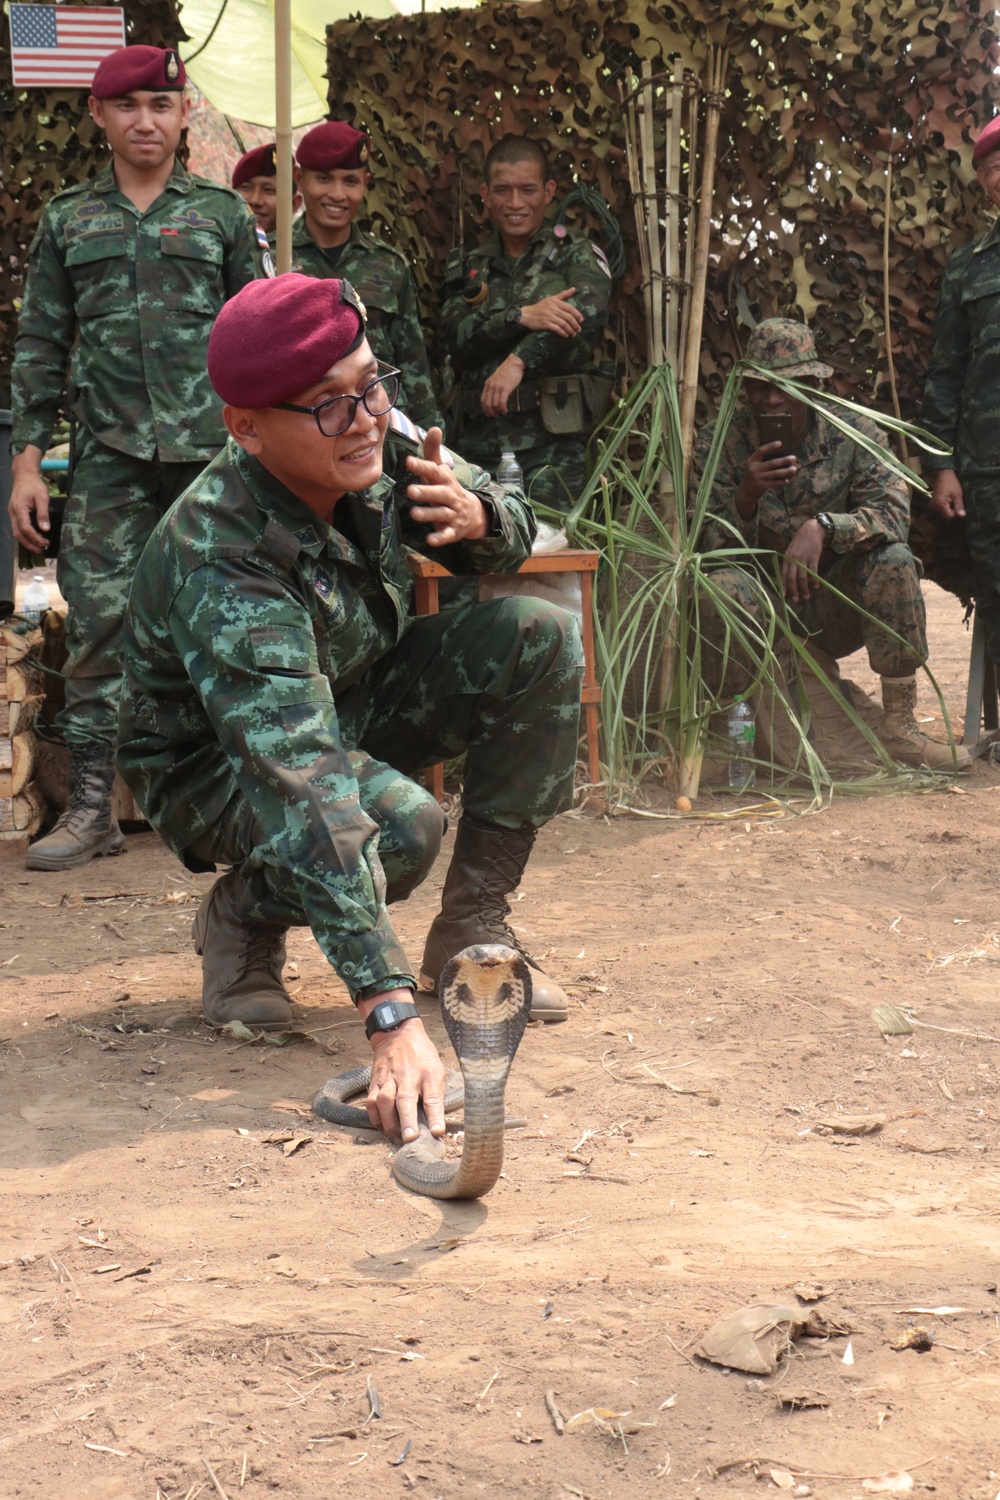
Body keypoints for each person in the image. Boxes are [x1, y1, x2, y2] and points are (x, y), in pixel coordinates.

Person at [116, 275, 583, 1141]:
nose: (365, 416)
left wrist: (481, 517)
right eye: (332, 405)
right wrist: (389, 1014)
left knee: (539, 635)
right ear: (247, 427)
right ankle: (244, 913)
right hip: (216, 766)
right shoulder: (225, 558)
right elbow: (300, 778)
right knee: (399, 827)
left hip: (351, 693)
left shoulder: (367, 426)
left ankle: (472, 928)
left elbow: (514, 518)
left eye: (372, 384)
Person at [9, 43, 267, 872]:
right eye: (128, 107)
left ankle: (238, 799)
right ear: (99, 115)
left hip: (212, 458)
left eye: (161, 104)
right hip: (110, 460)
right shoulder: (68, 220)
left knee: (226, 620)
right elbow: (40, 344)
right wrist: (24, 465)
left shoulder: (223, 219)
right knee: (97, 629)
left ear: (183, 111)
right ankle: (92, 809)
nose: (145, 121)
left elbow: (258, 336)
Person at [693, 318, 969, 772]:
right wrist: (744, 496)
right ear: (747, 389)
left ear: (812, 385)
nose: (773, 399)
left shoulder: (855, 433)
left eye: (788, 385)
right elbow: (700, 545)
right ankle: (730, 741)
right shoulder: (720, 441)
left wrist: (823, 527)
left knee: (895, 560)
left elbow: (894, 516)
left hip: (831, 607)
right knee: (717, 586)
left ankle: (901, 728)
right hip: (758, 617)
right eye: (762, 387)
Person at [441, 134, 613, 514]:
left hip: (554, 449)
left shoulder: (575, 253)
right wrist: (521, 316)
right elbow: (455, 337)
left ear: (549, 191)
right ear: (485, 194)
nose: (515, 203)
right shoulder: (468, 264)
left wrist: (517, 360)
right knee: (477, 564)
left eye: (527, 189)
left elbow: (588, 313)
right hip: (477, 449)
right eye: (502, 190)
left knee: (559, 564)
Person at [286, 121, 442, 433]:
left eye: (350, 181)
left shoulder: (388, 265)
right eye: (324, 179)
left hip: (379, 431)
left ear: (366, 182)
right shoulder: (275, 259)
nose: (337, 194)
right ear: (299, 178)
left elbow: (413, 369)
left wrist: (430, 440)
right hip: (303, 431)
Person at [921, 115, 1000, 668]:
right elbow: (945, 373)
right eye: (993, 168)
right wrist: (941, 465)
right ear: (983, 182)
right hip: (988, 471)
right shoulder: (966, 270)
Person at [231, 142, 301, 238]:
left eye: (269, 190)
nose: (255, 200)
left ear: (294, 204)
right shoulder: (214, 246)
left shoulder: (300, 252)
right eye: (246, 188)